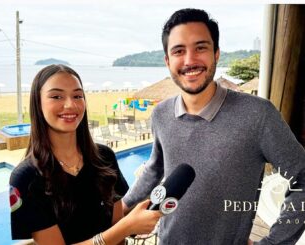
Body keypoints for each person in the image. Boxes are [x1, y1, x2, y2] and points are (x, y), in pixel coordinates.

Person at [122, 8, 305, 245]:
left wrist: (273, 242)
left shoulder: (258, 115)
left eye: (201, 47)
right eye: (179, 51)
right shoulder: (160, 113)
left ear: (216, 53)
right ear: (168, 61)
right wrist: (123, 207)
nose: (190, 60)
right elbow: (156, 167)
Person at [9, 64, 162, 245]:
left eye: (77, 96)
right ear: (38, 103)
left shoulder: (105, 158)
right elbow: (120, 229)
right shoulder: (26, 177)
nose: (70, 104)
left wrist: (134, 225)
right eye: (56, 96)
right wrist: (126, 227)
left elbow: (118, 229)